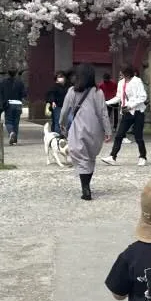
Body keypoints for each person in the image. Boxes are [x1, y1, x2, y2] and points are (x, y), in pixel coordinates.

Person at [60, 63, 109, 200]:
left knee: (81, 157)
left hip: (79, 128)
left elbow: (65, 111)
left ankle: (85, 188)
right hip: (95, 129)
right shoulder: (98, 92)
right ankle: (87, 185)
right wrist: (107, 130)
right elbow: (103, 113)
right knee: (90, 157)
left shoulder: (72, 91)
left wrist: (61, 124)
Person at [103, 65, 150, 166]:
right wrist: (106, 102)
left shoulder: (137, 81)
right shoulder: (121, 83)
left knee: (138, 136)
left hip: (137, 111)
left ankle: (143, 157)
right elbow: (118, 97)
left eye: (122, 72)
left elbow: (143, 96)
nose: (120, 74)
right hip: (126, 112)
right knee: (119, 135)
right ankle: (112, 156)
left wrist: (131, 105)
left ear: (127, 73)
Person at [3, 70, 26, 145]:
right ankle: (15, 140)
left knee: (8, 121)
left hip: (9, 103)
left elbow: (2, 92)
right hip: (18, 103)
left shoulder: (4, 82)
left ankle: (11, 132)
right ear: (16, 73)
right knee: (16, 122)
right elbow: (24, 94)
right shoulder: (20, 82)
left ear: (8, 73)